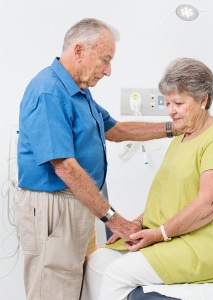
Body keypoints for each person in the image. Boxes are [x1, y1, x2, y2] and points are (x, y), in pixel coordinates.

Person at [15, 18, 176, 300]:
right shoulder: (48, 91)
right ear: (79, 51)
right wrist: (115, 221)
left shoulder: (79, 92)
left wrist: (172, 128)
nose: (108, 71)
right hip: (55, 205)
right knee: (54, 292)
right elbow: (65, 166)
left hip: (79, 203)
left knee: (79, 287)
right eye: (104, 60)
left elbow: (115, 129)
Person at [81, 57, 213, 300]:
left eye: (178, 103)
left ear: (203, 100)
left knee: (117, 273)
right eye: (167, 102)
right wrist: (137, 224)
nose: (171, 110)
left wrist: (158, 234)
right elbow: (172, 196)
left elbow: (209, 204)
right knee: (97, 261)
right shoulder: (181, 138)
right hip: (179, 234)